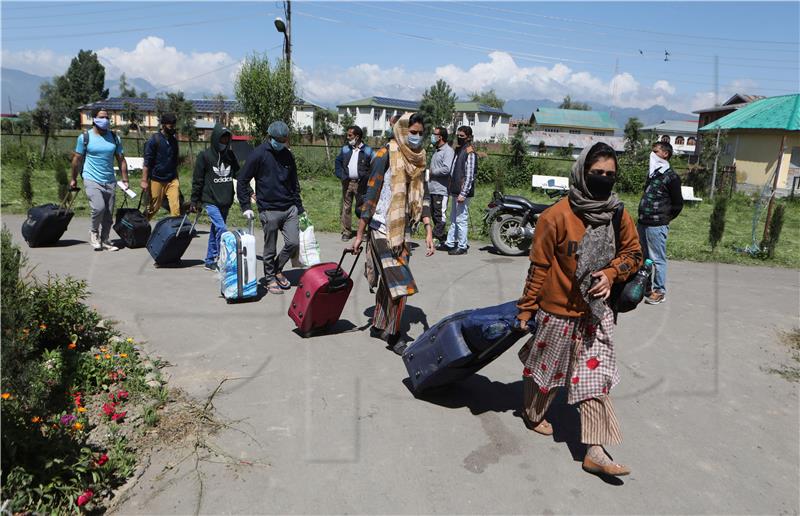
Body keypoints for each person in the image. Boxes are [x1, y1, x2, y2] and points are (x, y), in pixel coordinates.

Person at [516, 142, 642, 477]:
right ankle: (532, 412)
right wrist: (526, 310)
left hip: (595, 315)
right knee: (546, 374)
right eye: (597, 173)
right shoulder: (555, 216)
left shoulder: (617, 213)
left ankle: (596, 452)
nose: (603, 179)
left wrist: (612, 273)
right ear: (582, 173)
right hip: (557, 313)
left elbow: (633, 253)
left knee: (595, 381)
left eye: (610, 174)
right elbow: (538, 268)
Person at [352, 113, 435, 355]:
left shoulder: (418, 159)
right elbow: (371, 195)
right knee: (401, 283)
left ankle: (379, 325)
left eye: (420, 133)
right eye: (413, 132)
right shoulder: (384, 155)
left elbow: (424, 195)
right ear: (401, 130)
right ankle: (396, 336)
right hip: (380, 227)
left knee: (390, 284)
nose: (417, 137)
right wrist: (359, 233)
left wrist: (429, 229)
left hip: (404, 229)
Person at [237, 121, 304, 295]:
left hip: (289, 208)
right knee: (270, 247)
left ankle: (277, 268)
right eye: (278, 139)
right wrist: (246, 206)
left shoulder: (288, 155)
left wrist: (299, 208)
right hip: (269, 208)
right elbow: (243, 179)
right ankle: (270, 279)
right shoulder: (258, 154)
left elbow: (294, 183)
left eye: (284, 139)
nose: (282, 142)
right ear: (270, 137)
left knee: (293, 242)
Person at [70, 108, 128, 251]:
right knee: (99, 207)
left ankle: (106, 239)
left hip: (109, 179)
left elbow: (121, 159)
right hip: (91, 178)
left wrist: (125, 179)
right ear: (94, 119)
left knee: (108, 213)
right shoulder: (84, 137)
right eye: (102, 117)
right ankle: (94, 232)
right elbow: (77, 159)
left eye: (107, 117)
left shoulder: (114, 138)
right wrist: (73, 178)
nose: (106, 120)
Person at [637, 141, 683, 305]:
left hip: (657, 225)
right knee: (644, 257)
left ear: (665, 154)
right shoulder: (653, 175)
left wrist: (664, 218)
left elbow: (678, 204)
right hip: (643, 223)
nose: (652, 154)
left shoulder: (671, 177)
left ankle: (659, 291)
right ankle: (645, 286)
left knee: (657, 259)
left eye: (655, 151)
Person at [190, 123, 240, 271]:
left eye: (226, 141)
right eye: (221, 140)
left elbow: (239, 174)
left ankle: (209, 260)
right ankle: (223, 259)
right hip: (210, 199)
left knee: (215, 230)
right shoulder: (204, 156)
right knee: (222, 229)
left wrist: (249, 190)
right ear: (215, 139)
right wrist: (194, 200)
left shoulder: (230, 156)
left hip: (225, 199)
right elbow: (198, 180)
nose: (224, 143)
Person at [334, 126, 374, 241]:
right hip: (347, 182)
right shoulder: (345, 149)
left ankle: (364, 232)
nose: (348, 137)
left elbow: (375, 164)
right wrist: (341, 175)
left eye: (350, 135)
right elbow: (338, 161)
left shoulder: (368, 150)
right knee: (346, 207)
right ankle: (346, 231)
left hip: (361, 184)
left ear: (357, 137)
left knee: (361, 208)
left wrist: (367, 178)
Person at [443, 126, 477, 255]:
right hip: (455, 190)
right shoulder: (460, 149)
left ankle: (462, 246)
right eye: (458, 135)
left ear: (468, 137)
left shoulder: (469, 151)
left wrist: (463, 193)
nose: (459, 137)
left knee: (461, 219)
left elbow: (469, 175)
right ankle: (450, 243)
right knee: (453, 218)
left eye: (462, 136)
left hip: (462, 192)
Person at [141, 113, 180, 220]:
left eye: (174, 126)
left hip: (172, 179)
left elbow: (174, 160)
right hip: (156, 179)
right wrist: (144, 180)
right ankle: (141, 226)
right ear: (163, 125)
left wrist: (176, 177)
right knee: (154, 208)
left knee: (176, 208)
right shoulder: (154, 140)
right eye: (170, 126)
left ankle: (175, 232)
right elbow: (147, 162)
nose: (173, 128)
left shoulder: (174, 141)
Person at [428, 126, 454, 248]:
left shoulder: (448, 151)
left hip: (441, 190)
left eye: (435, 134)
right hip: (432, 188)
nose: (432, 136)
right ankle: (441, 238)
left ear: (441, 137)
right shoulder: (437, 150)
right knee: (434, 214)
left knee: (440, 215)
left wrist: (433, 172)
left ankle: (436, 237)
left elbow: (447, 169)